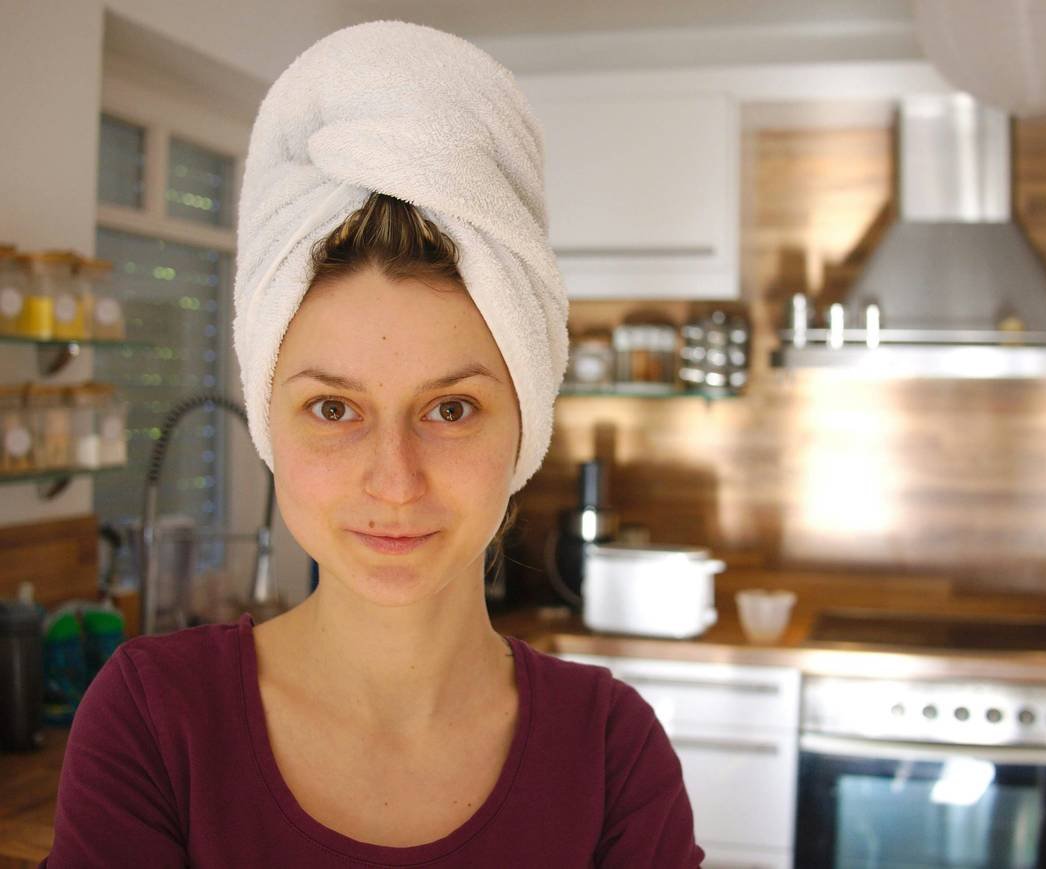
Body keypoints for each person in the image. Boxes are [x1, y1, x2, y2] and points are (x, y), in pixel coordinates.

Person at [42, 20, 704, 869]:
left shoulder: (612, 752)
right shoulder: (153, 721)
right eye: (332, 409)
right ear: (270, 420)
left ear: (525, 426)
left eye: (453, 409)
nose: (394, 480)